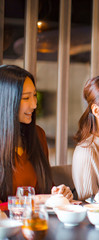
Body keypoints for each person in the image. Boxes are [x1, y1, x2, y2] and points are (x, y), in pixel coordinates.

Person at [0, 65, 73, 203]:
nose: (34, 104)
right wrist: (37, 199)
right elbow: (40, 198)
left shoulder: (37, 135)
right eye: (26, 98)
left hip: (36, 221)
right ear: (6, 101)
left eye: (34, 95)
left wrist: (58, 192)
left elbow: (44, 189)